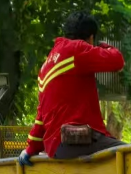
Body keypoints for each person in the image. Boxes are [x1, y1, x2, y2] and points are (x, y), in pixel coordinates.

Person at [18, 12, 125, 165]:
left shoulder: (46, 66)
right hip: (78, 140)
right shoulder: (77, 49)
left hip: (56, 149)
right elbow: (117, 61)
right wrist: (103, 46)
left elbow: (41, 116)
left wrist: (30, 148)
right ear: (90, 37)